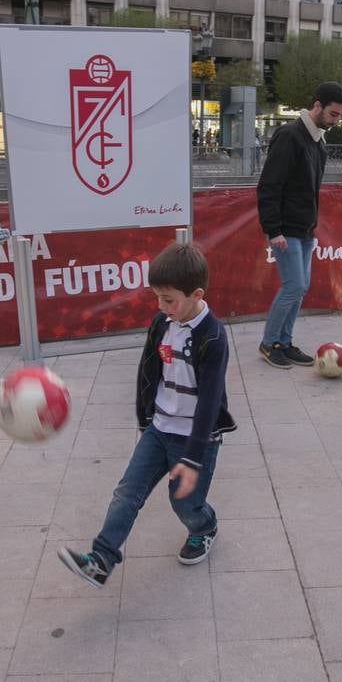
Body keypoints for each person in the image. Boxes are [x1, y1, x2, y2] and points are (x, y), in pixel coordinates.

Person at [58, 242, 236, 585]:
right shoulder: (162, 324)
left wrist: (194, 457)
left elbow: (211, 400)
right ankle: (101, 559)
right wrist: (145, 418)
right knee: (128, 492)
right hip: (159, 429)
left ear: (196, 294)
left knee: (184, 503)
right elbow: (147, 370)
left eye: (169, 299)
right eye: (157, 297)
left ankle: (205, 526)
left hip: (195, 439)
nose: (161, 306)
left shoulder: (213, 337)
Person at [256, 81, 342, 368]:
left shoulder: (317, 139)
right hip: (286, 229)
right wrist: (274, 229)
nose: (336, 121)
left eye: (340, 116)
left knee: (301, 286)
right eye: (333, 114)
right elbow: (269, 185)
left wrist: (311, 226)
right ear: (317, 105)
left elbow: (308, 189)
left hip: (305, 228)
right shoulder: (290, 136)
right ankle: (269, 343)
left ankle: (284, 342)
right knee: (294, 286)